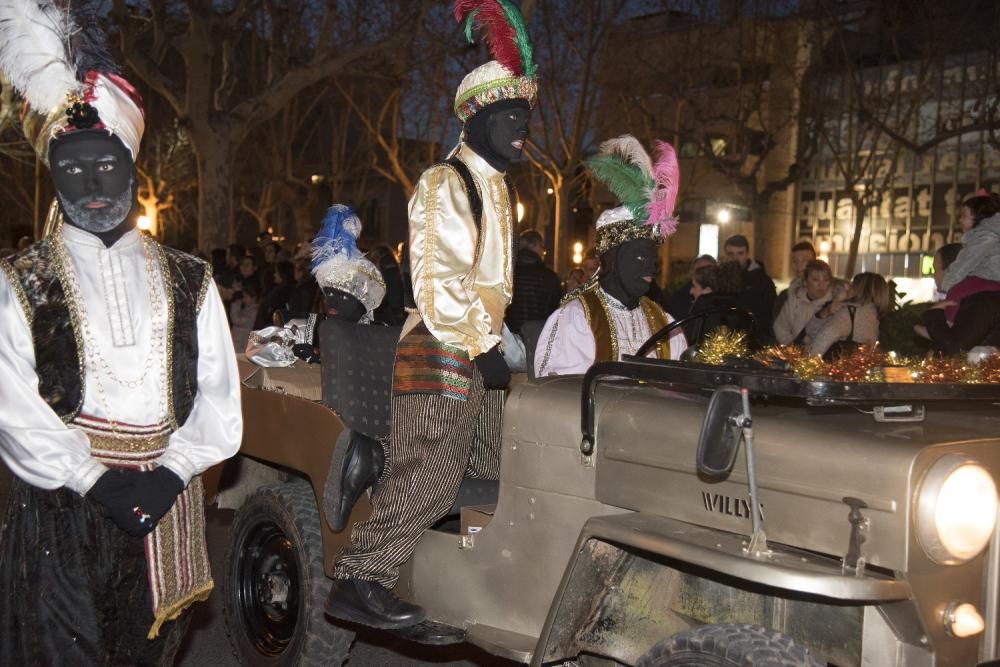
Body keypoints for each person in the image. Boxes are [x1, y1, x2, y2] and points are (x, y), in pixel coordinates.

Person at [0, 6, 242, 663]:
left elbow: (219, 396)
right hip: (61, 512)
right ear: (52, 173)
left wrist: (169, 475)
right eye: (72, 167)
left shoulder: (191, 279)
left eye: (106, 163)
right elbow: (12, 406)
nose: (92, 182)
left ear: (132, 166)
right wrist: (94, 479)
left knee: (150, 651)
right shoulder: (25, 279)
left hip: (165, 504)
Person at [324, 0, 538, 629]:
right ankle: (359, 580)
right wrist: (484, 347)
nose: (522, 125)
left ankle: (376, 455)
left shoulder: (498, 188)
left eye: (526, 113)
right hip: (445, 353)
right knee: (437, 477)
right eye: (509, 115)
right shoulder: (447, 182)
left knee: (500, 464)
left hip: (473, 353)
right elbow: (440, 282)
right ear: (474, 122)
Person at [535, 135, 687, 376]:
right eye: (639, 258)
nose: (650, 267)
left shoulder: (665, 323)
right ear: (611, 260)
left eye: (652, 258)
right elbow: (560, 396)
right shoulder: (577, 319)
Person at [808, 272, 890, 359]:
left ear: (860, 290)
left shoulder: (849, 313)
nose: (848, 290)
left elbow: (822, 339)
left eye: (852, 286)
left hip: (834, 370)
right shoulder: (874, 317)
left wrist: (806, 365)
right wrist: (825, 313)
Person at [506, 229, 563, 334]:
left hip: (511, 338)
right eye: (542, 247)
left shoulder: (508, 275)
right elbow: (557, 310)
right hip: (539, 337)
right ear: (535, 245)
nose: (543, 252)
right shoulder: (548, 277)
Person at [724, 234, 776, 344]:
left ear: (747, 254)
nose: (735, 258)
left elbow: (768, 316)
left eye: (740, 253)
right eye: (731, 254)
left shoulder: (762, 281)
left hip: (753, 340)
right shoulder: (721, 280)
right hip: (724, 339)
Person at [683, 260, 743, 347]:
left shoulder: (702, 313)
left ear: (707, 290)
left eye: (694, 286)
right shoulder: (737, 308)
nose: (691, 291)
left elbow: (689, 343)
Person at [772, 259, 833, 344]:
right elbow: (781, 328)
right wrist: (791, 347)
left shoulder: (832, 305)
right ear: (805, 282)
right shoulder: (794, 300)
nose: (821, 285)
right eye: (815, 279)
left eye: (826, 280)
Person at [772, 241, 816, 324]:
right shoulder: (784, 297)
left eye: (804, 260)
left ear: (814, 262)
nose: (799, 265)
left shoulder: (826, 292)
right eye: (795, 261)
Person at [665, 253, 716, 320]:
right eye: (699, 271)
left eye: (707, 271)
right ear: (692, 272)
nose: (702, 275)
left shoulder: (724, 298)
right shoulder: (678, 298)